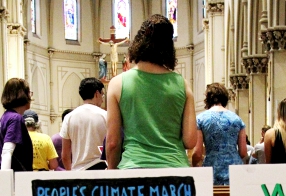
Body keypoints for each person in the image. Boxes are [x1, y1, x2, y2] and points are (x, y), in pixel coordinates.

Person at [106, 15, 196, 169]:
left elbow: (113, 142)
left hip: (133, 172)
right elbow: (190, 141)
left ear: (138, 42)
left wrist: (113, 174)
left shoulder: (117, 84)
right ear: (169, 47)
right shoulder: (183, 85)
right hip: (175, 173)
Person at [192, 82, 246, 185]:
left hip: (212, 170)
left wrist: (195, 166)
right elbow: (243, 152)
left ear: (208, 99)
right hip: (235, 171)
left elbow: (197, 153)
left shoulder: (201, 119)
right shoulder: (237, 120)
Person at [61, 77, 107, 170]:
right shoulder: (105, 115)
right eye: (102, 95)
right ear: (97, 94)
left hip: (78, 172)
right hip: (100, 169)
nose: (102, 100)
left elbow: (65, 155)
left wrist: (71, 174)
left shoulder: (69, 117)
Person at [0, 78, 33, 171]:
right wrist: (6, 179)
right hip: (14, 177)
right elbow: (7, 151)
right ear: (22, 95)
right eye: (29, 93)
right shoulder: (16, 118)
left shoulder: (5, 116)